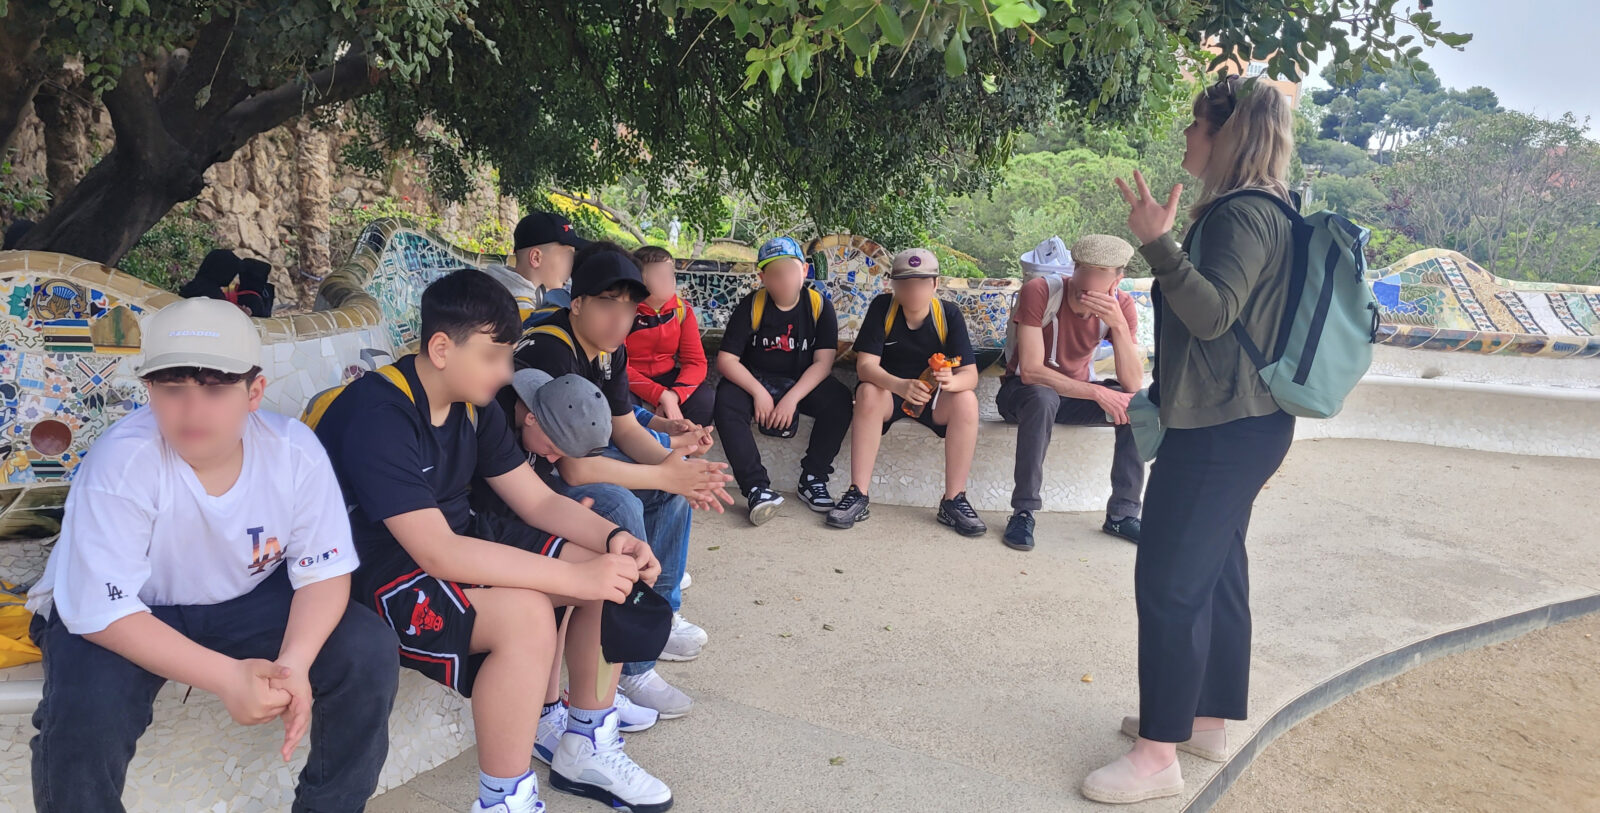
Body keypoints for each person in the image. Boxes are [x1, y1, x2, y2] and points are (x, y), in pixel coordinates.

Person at [312, 268, 673, 813]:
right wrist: (574, 577)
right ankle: (503, 800)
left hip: (458, 540)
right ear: (441, 348)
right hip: (381, 573)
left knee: (611, 571)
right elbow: (437, 551)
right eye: (494, 357)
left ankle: (586, 743)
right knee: (528, 616)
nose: (507, 373)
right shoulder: (377, 414)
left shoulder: (473, 405)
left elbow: (538, 502)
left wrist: (616, 538)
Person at [26, 298, 399, 812]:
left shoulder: (293, 452)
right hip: (128, 611)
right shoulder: (122, 461)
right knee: (85, 710)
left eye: (216, 388)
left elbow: (323, 572)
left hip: (243, 597)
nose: (193, 410)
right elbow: (100, 611)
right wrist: (227, 678)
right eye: (173, 389)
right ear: (149, 391)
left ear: (254, 391)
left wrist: (293, 665)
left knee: (367, 650)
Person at [1080, 75, 1299, 804]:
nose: (1186, 136)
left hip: (1220, 429)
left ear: (1224, 133)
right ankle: (1202, 720)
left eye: (1195, 125)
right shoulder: (1270, 207)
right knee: (1216, 569)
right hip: (1242, 422)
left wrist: (1157, 244)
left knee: (1170, 579)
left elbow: (1212, 314)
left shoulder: (1244, 215)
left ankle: (1156, 757)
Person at [513, 249, 734, 717]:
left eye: (630, 308)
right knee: (620, 508)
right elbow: (573, 467)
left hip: (565, 467)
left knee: (671, 494)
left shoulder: (610, 348)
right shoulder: (553, 350)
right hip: (528, 476)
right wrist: (663, 473)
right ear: (577, 303)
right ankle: (631, 668)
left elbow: (625, 428)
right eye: (607, 304)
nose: (621, 320)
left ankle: (659, 615)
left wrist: (678, 472)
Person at [996, 234, 1146, 551]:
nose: (1088, 281)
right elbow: (1031, 370)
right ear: (1074, 268)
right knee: (1043, 397)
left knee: (1140, 405)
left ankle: (1122, 514)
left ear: (1118, 278)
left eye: (1100, 273)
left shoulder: (1122, 306)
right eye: (1083, 270)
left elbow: (1133, 383)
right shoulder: (1041, 291)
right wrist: (1097, 394)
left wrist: (1118, 326)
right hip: (1021, 394)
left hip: (1073, 398)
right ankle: (1023, 512)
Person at [829, 248, 985, 536]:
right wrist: (900, 385)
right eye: (905, 284)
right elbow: (865, 367)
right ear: (894, 285)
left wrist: (950, 382)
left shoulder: (948, 314)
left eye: (921, 283)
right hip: (891, 393)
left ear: (935, 284)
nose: (913, 291)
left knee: (966, 400)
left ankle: (954, 500)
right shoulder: (883, 308)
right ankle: (858, 494)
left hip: (933, 399)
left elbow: (970, 376)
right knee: (867, 392)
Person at [713, 236, 852, 524]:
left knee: (839, 400)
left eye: (790, 270)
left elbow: (823, 363)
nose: (783, 279)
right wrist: (759, 392)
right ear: (763, 277)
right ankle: (756, 487)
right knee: (726, 398)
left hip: (801, 382)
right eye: (774, 273)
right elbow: (726, 360)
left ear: (804, 271)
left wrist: (792, 398)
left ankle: (813, 478)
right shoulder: (752, 305)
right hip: (757, 380)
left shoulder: (819, 306)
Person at [625, 245, 713, 426]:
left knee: (704, 399)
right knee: (623, 405)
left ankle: (688, 443)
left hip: (667, 375)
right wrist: (660, 396)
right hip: (630, 378)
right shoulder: (625, 310)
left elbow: (696, 362)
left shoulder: (682, 310)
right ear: (639, 280)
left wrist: (674, 395)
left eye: (670, 274)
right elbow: (617, 366)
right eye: (659, 275)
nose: (668, 281)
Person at [483, 211, 591, 323]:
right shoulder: (510, 313)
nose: (571, 265)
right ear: (536, 258)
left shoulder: (555, 293)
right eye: (567, 256)